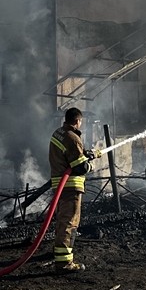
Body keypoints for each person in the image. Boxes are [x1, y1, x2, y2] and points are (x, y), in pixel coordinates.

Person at [49, 107, 94, 272]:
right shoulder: (72, 137)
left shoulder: (58, 133)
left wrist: (85, 154)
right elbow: (80, 167)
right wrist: (90, 164)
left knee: (62, 222)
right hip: (70, 187)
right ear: (77, 121)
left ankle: (59, 253)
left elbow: (69, 156)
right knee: (69, 223)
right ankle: (64, 263)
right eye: (81, 121)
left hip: (60, 186)